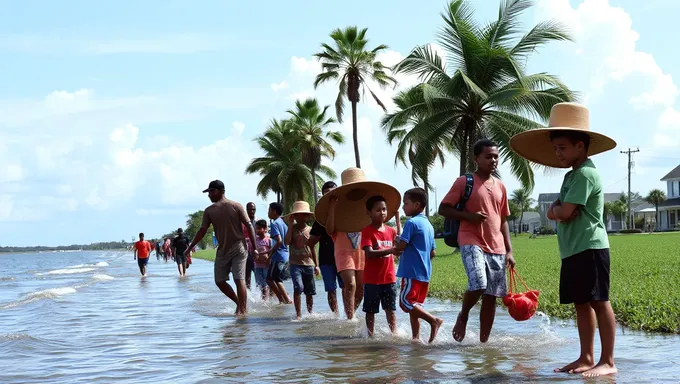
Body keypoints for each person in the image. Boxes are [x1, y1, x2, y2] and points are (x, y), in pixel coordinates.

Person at [509, 103, 618, 377]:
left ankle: (608, 361)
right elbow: (554, 210)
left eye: (563, 148)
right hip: (572, 250)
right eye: (555, 148)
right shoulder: (571, 176)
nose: (558, 153)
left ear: (580, 146)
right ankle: (586, 357)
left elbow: (564, 211)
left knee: (598, 301)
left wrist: (558, 210)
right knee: (581, 303)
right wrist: (558, 210)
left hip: (590, 247)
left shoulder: (585, 174)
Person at [439, 139, 515, 343]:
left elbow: (503, 220)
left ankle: (484, 343)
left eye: (496, 156)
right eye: (488, 156)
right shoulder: (465, 182)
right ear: (476, 158)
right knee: (479, 284)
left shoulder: (500, 186)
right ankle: (463, 315)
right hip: (471, 240)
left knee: (491, 297)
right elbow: (443, 209)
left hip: (497, 246)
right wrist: (469, 216)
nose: (493, 160)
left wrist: (509, 250)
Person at [185, 180, 258, 316]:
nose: (209, 195)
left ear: (220, 191)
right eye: (209, 192)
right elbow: (202, 230)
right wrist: (190, 248)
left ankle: (242, 311)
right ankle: (239, 303)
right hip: (223, 249)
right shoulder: (209, 211)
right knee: (219, 281)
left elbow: (249, 225)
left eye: (211, 191)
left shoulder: (236, 206)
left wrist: (254, 247)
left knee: (238, 279)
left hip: (239, 247)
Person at [393, 188, 443, 343]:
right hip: (424, 273)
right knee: (415, 306)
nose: (403, 207)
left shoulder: (411, 223)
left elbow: (401, 247)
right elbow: (433, 253)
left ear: (416, 205)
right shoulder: (428, 225)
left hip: (411, 272)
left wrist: (397, 243)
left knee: (405, 302)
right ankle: (416, 338)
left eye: (405, 204)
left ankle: (433, 320)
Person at [361, 195, 401, 337]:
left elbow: (399, 244)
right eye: (378, 210)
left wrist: (397, 220)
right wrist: (391, 250)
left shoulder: (391, 231)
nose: (382, 212)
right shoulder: (367, 231)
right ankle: (370, 335)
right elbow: (370, 253)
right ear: (369, 213)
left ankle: (394, 334)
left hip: (389, 278)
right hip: (372, 280)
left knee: (390, 309)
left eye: (384, 209)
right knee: (370, 311)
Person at [309, 181, 344, 314]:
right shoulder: (320, 218)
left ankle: (349, 315)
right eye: (326, 194)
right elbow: (311, 241)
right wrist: (315, 264)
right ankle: (336, 315)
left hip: (343, 256)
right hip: (326, 258)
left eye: (332, 193)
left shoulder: (346, 214)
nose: (329, 197)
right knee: (331, 289)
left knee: (347, 286)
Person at [326, 197, 364, 320]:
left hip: (361, 252)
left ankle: (350, 312)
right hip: (344, 252)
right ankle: (350, 318)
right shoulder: (337, 212)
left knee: (361, 289)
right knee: (351, 284)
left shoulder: (364, 211)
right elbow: (329, 230)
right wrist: (332, 207)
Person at [284, 201, 319, 320]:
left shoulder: (310, 230)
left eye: (304, 214)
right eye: (298, 214)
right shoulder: (291, 229)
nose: (301, 217)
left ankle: (309, 314)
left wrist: (316, 265)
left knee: (309, 292)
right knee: (298, 287)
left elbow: (312, 248)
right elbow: (287, 242)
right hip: (295, 264)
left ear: (308, 216)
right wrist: (289, 224)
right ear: (294, 216)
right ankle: (298, 315)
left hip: (308, 263)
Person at [266, 202, 293, 304]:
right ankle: (283, 299)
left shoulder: (274, 224)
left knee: (272, 279)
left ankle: (284, 299)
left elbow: (279, 241)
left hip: (279, 255)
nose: (268, 212)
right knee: (274, 278)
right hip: (284, 255)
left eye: (269, 210)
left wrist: (271, 251)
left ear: (274, 211)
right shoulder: (282, 223)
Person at [253, 219, 272, 301]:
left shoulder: (269, 240)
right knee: (262, 286)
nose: (257, 230)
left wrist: (269, 259)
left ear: (265, 229)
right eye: (256, 228)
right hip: (257, 266)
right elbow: (251, 251)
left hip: (267, 266)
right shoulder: (254, 241)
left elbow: (272, 252)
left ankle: (269, 301)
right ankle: (264, 303)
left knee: (269, 285)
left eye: (259, 228)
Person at [242, 202, 259, 289]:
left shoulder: (258, 222)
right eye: (249, 209)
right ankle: (248, 295)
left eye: (253, 209)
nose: (252, 211)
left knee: (259, 275)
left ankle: (261, 297)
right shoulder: (243, 222)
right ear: (246, 210)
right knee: (247, 275)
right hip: (246, 252)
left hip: (257, 252)